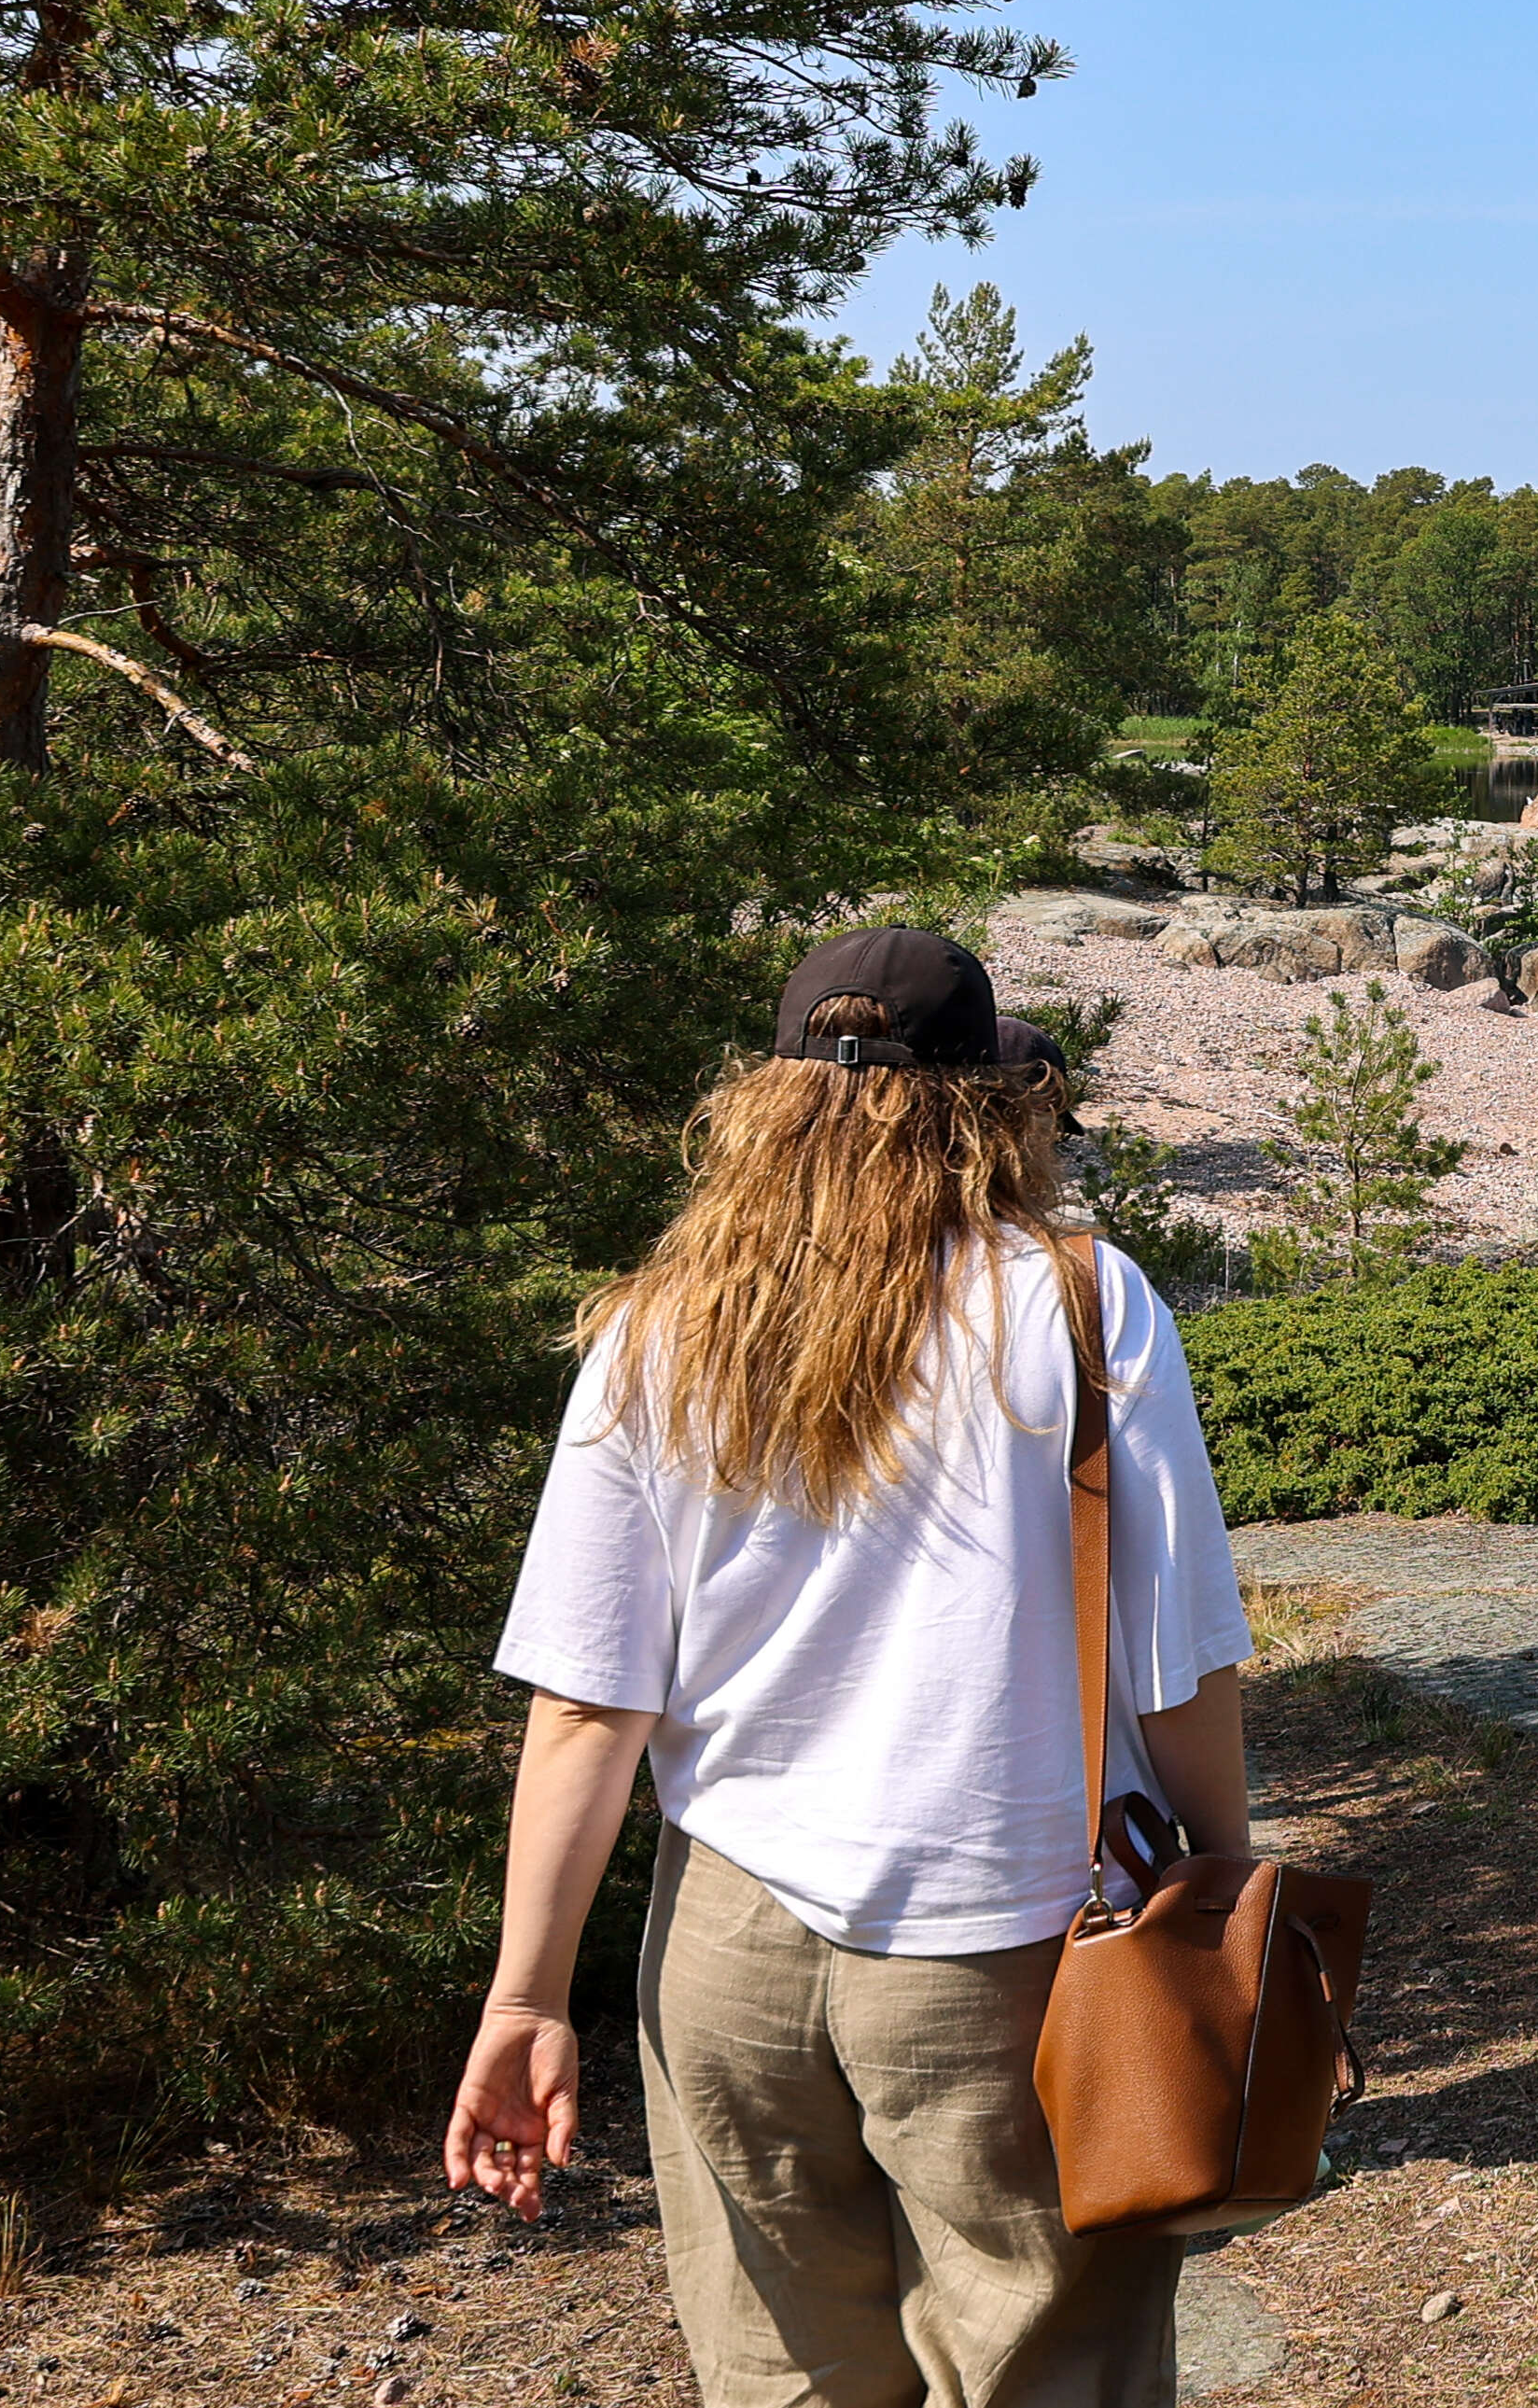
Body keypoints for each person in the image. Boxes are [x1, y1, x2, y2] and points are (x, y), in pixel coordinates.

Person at [447, 927, 1256, 2408]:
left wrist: (527, 1997)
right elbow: (1178, 1663)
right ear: (989, 1102)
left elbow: (586, 1708)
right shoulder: (1083, 1303)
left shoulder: (658, 1328)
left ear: (767, 1098)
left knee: (783, 2380)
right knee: (1050, 2372)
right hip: (1012, 1932)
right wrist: (1223, 1878)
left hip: (728, 1945)